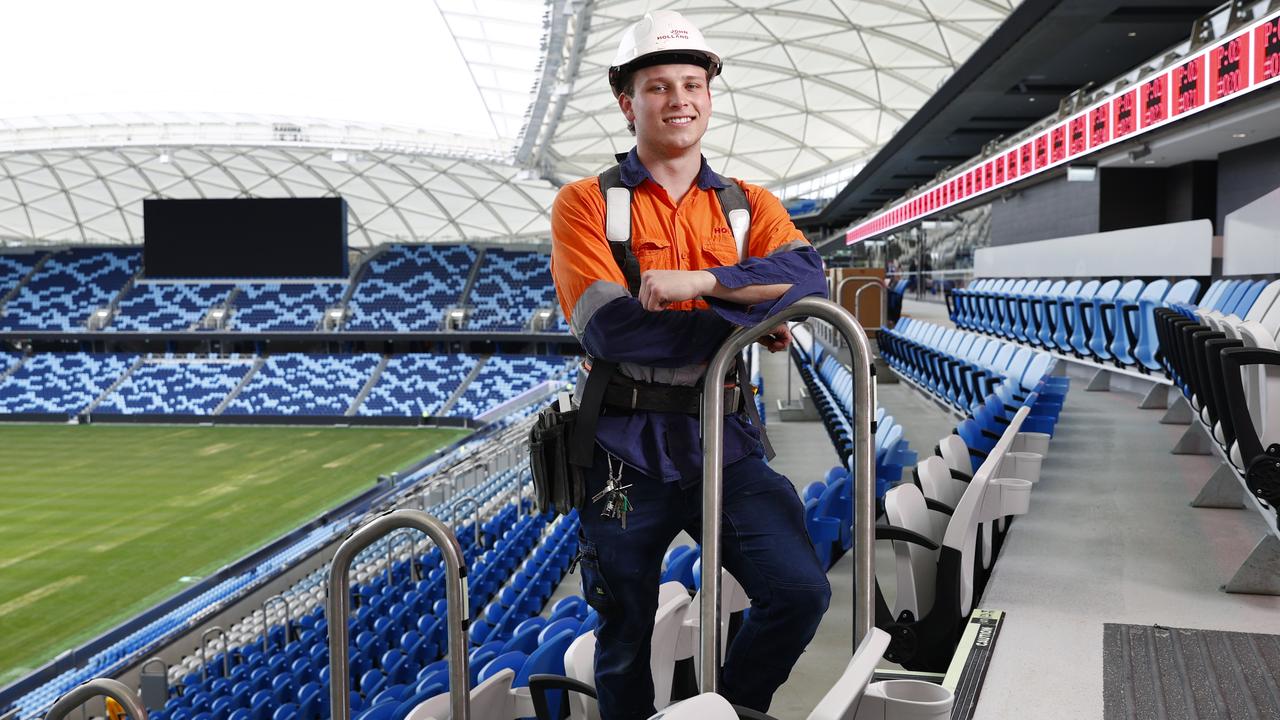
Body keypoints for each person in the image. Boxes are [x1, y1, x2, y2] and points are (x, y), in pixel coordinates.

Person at [549, 10, 831, 718]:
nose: (679, 98)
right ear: (628, 102)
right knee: (623, 635)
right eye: (658, 85)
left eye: (692, 82)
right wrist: (748, 320)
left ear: (709, 94)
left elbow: (808, 280)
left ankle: (727, 711)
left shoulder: (747, 205)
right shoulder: (586, 204)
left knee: (799, 591)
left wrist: (703, 283)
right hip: (620, 453)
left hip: (724, 443)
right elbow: (614, 331)